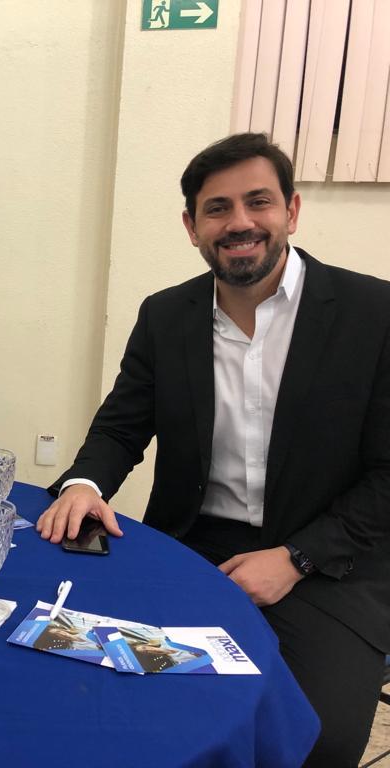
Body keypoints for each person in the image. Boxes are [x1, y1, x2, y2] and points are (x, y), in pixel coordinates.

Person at [36, 133, 390, 766]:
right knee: (106, 691)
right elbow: (120, 428)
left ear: (292, 210)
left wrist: (296, 558)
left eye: (259, 201)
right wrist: (83, 485)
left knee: (313, 736)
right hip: (194, 544)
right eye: (218, 208)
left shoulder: (374, 312)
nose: (240, 222)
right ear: (192, 226)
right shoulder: (166, 316)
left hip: (329, 559)